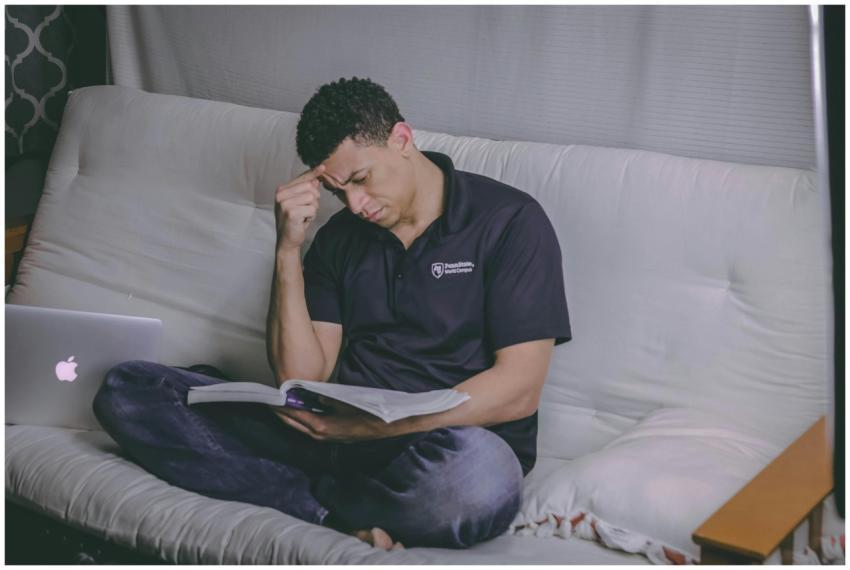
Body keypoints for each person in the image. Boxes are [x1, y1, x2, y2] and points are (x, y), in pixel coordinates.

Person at [93, 77, 571, 551]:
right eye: (338, 192)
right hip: (333, 437)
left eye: (361, 180)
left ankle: (308, 498)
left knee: (477, 481)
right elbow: (301, 377)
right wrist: (288, 248)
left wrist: (374, 427)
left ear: (402, 139)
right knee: (130, 389)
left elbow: (519, 390)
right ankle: (323, 509)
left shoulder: (509, 221)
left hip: (437, 448)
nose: (355, 205)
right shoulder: (340, 238)